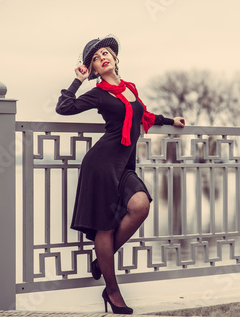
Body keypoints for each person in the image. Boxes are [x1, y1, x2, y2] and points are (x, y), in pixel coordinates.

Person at [55, 35, 185, 314]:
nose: (102, 57)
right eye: (95, 59)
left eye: (105, 53)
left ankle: (102, 261)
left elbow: (143, 116)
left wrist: (170, 121)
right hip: (101, 165)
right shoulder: (99, 93)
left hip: (124, 165)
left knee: (141, 205)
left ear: (115, 59)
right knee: (105, 225)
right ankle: (112, 291)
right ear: (94, 69)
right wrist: (77, 80)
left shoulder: (129, 89)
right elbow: (64, 108)